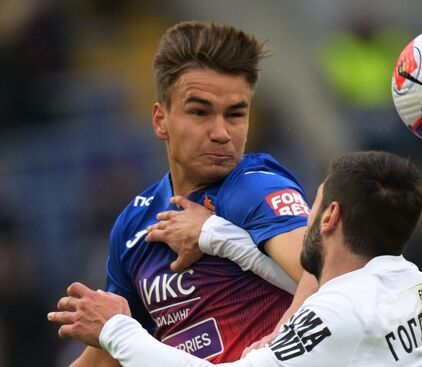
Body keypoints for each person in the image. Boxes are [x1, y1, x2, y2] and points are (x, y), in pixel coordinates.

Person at [62, 20, 319, 366]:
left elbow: (325, 275)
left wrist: (276, 341)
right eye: (200, 112)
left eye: (235, 114)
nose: (221, 133)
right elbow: (107, 354)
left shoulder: (254, 187)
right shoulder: (133, 224)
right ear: (160, 120)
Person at [49, 150, 422, 366]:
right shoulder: (415, 285)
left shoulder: (343, 312)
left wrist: (116, 328)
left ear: (330, 217)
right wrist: (216, 235)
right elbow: (322, 279)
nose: (304, 216)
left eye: (314, 203)